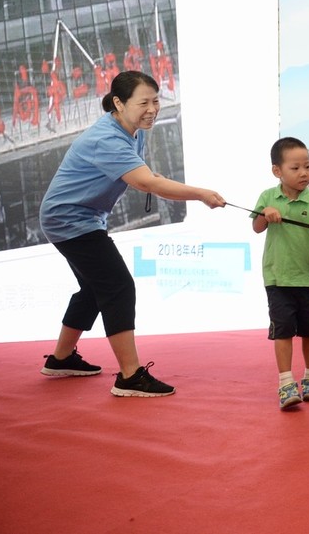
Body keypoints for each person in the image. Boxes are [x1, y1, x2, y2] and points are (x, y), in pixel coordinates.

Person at [39, 70, 225, 397]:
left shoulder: (135, 131)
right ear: (118, 103)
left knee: (94, 289)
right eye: (144, 102)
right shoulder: (107, 138)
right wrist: (200, 193)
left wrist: (155, 178)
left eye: (156, 101)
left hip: (81, 217)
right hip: (69, 219)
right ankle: (129, 376)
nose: (152, 108)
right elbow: (145, 182)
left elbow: (142, 173)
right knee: (118, 286)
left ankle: (61, 359)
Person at [252, 137, 309, 409]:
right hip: (278, 279)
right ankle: (286, 382)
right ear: (277, 171)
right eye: (296, 168)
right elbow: (256, 227)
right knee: (283, 332)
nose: (304, 173)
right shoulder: (268, 197)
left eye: (307, 166)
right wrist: (265, 214)